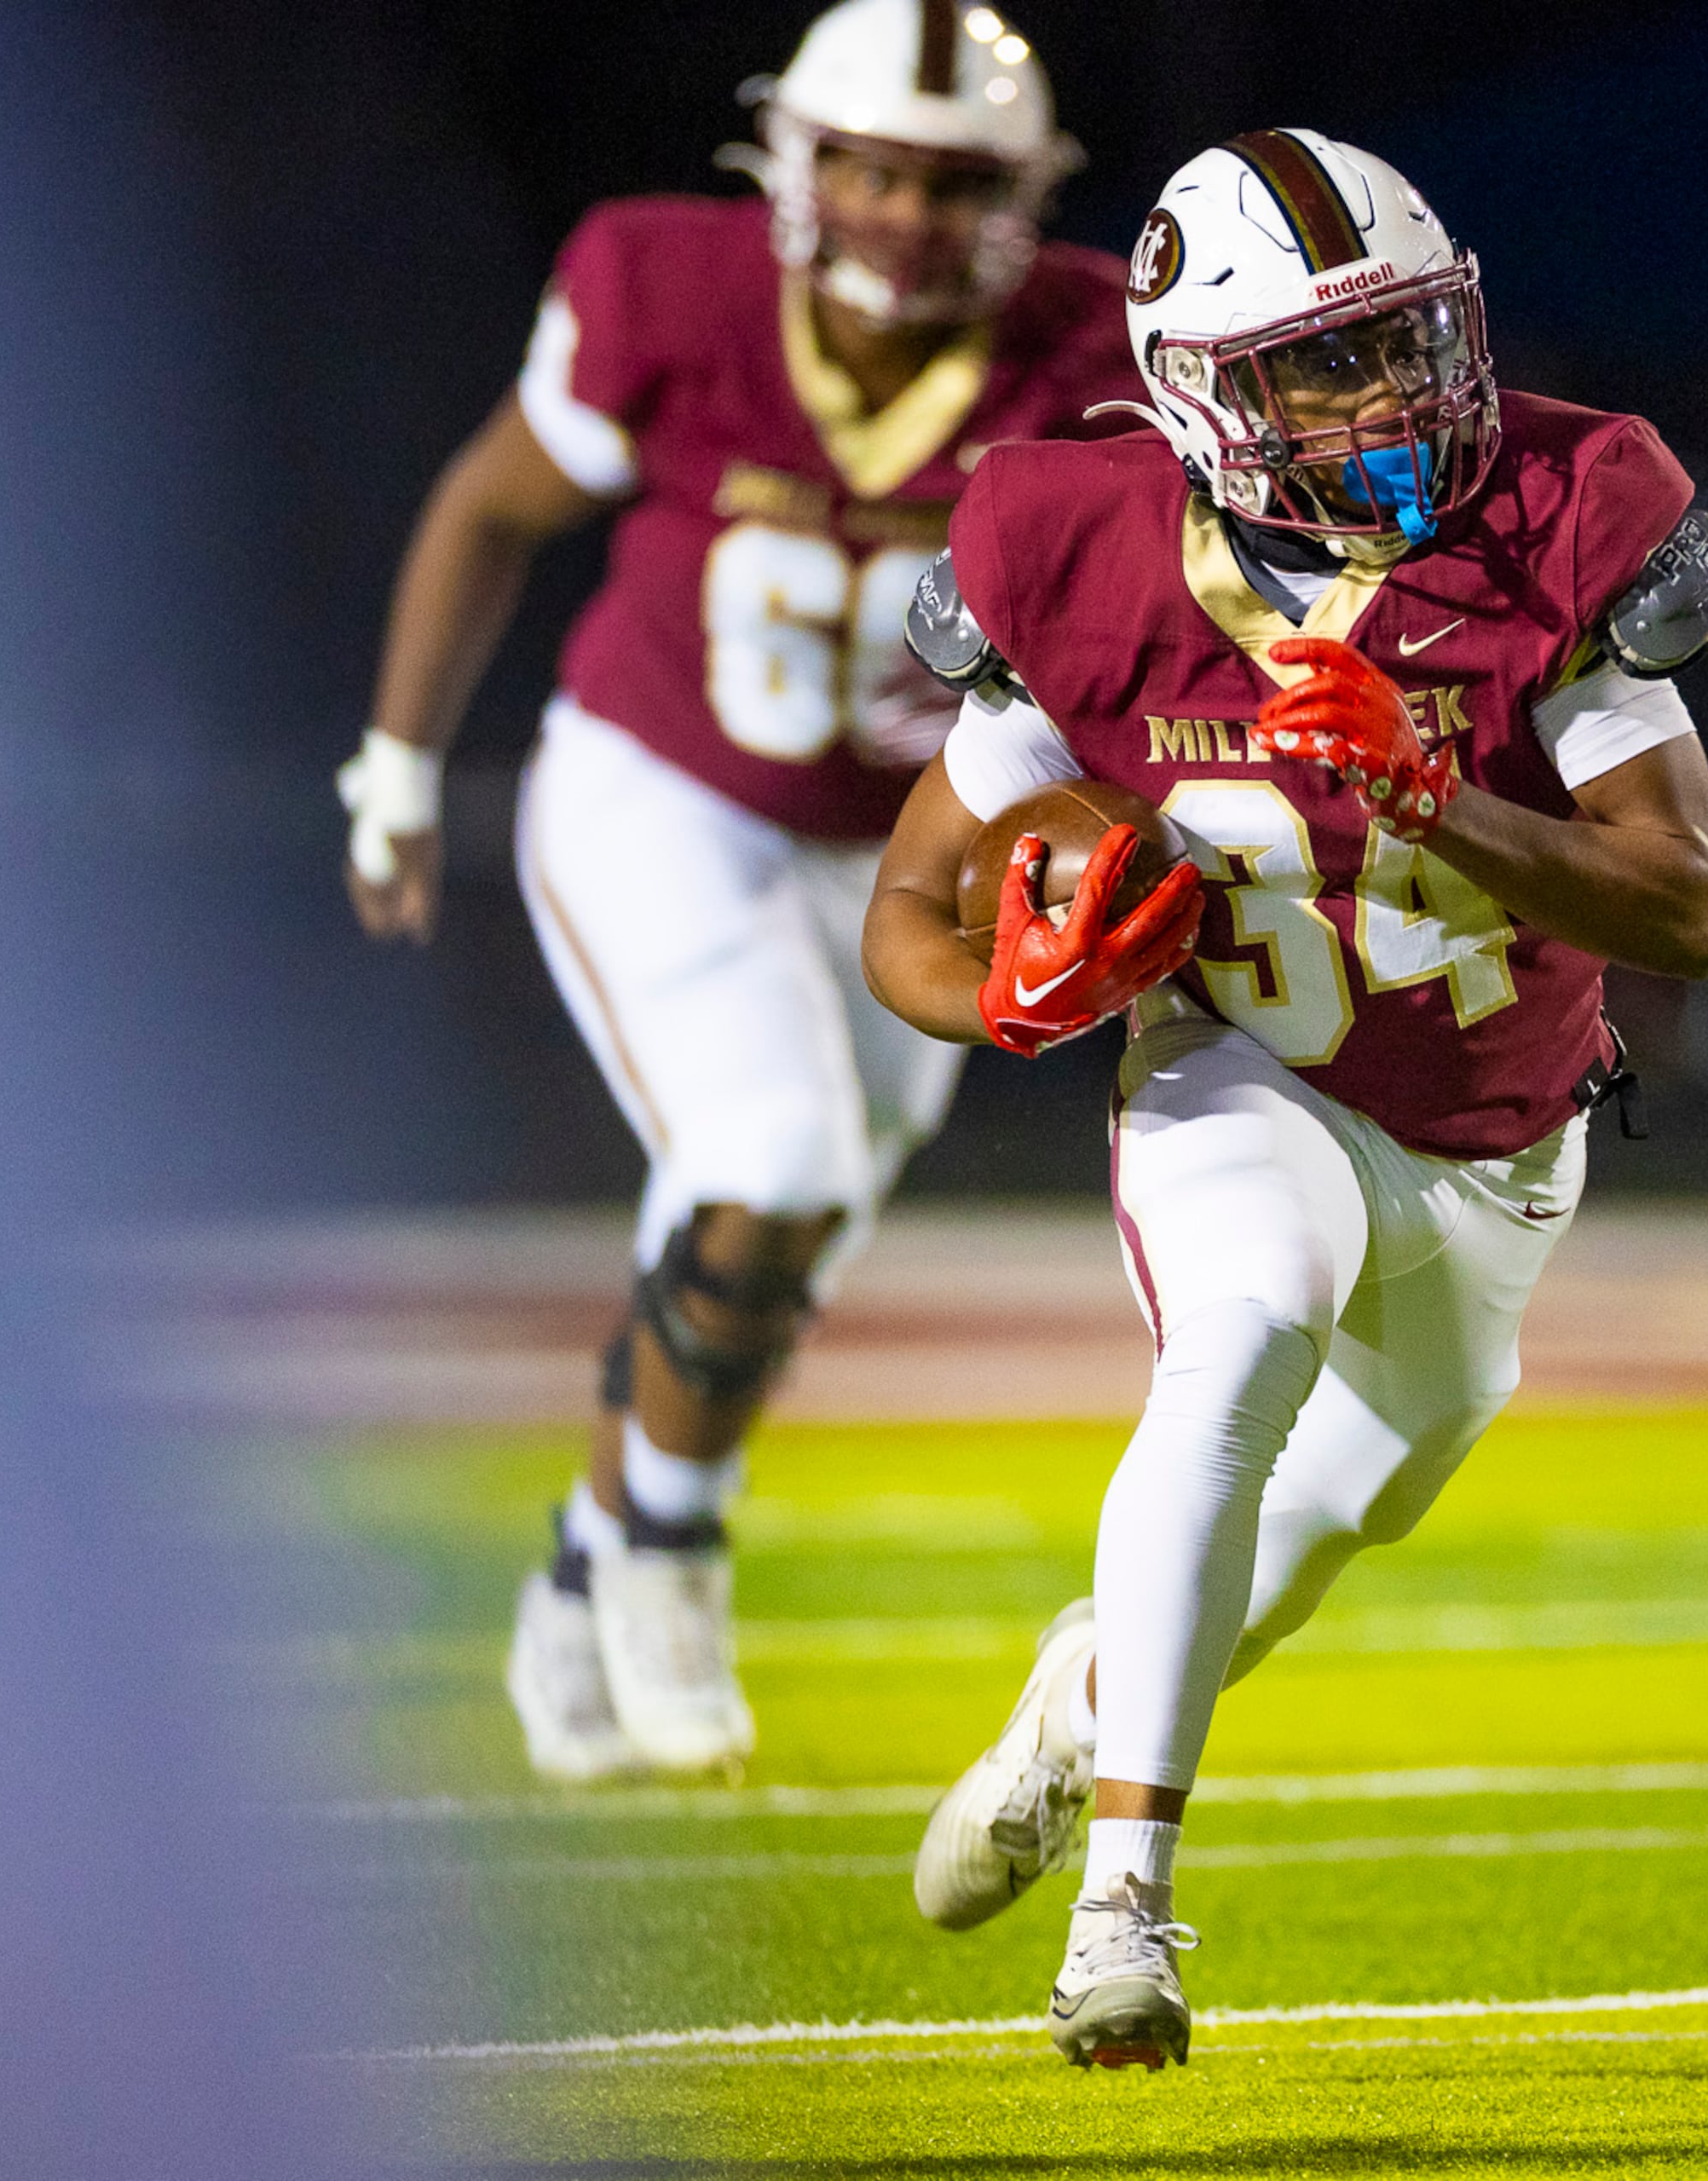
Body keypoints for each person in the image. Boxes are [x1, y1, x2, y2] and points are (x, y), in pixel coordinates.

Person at [860, 128, 1708, 2067]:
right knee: (1243, 1327)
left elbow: (1690, 910)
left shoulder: (1559, 510)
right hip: (1243, 1068)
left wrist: (1433, 794)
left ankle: (1077, 1708)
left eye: (1408, 342)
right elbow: (910, 914)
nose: (1393, 399)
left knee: (1367, 1488)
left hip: (1509, 1137)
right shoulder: (1082, 548)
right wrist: (1013, 1004)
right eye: (1321, 368)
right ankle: (1124, 1910)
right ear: (1199, 395)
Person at [335, 0, 1138, 1783]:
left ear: (1018, 195)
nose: (906, 214)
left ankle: (581, 1557)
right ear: (793, 161)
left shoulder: (1087, 353)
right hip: (662, 789)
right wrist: (395, 764)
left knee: (779, 1245)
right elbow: (488, 504)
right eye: (867, 167)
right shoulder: (669, 290)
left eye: (950, 182)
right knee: (766, 1165)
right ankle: (675, 1555)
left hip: (910, 852)